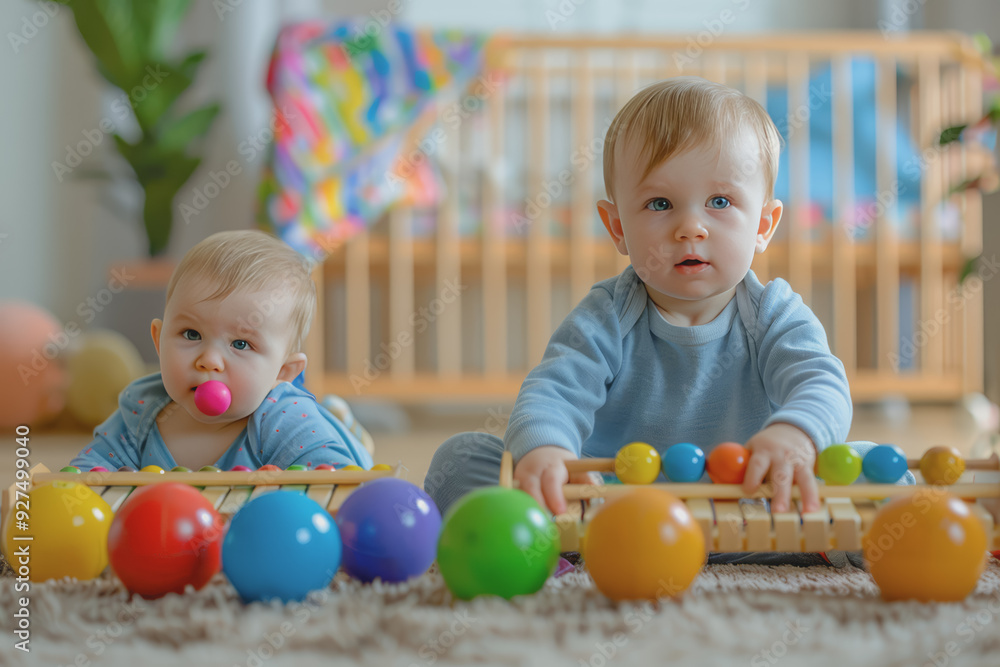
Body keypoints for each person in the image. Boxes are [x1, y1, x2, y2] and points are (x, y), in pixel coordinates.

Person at [424, 77, 911, 566]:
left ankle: (812, 541)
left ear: (763, 226)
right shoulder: (606, 316)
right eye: (660, 204)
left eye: (720, 202)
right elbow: (553, 391)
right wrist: (548, 451)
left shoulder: (774, 313)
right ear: (617, 227)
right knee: (462, 459)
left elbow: (822, 384)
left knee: (883, 471)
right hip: (613, 509)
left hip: (749, 510)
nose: (690, 227)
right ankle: (558, 540)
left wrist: (796, 435)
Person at [71, 230, 373, 472]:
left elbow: (338, 480)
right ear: (159, 339)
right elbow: (81, 474)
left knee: (330, 429)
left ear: (282, 372)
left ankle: (338, 419)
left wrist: (288, 487)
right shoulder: (140, 411)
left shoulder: (281, 418)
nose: (210, 361)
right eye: (191, 334)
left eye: (241, 344)